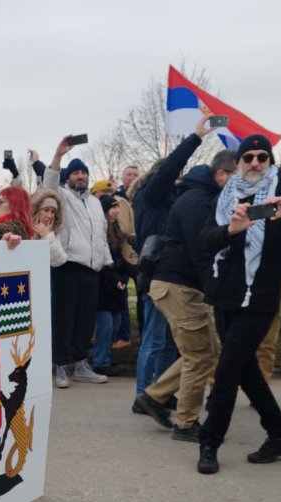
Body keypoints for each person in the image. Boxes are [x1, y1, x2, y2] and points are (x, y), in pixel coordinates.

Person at [196, 134, 281, 474]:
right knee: (246, 371)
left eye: (261, 157)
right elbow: (206, 241)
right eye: (248, 157)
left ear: (270, 161)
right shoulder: (225, 196)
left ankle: (209, 442)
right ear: (238, 162)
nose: (254, 163)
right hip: (224, 295)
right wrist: (231, 231)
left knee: (226, 372)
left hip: (260, 299)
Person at [133, 149, 237, 442]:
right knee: (199, 355)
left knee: (205, 351)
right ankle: (185, 422)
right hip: (178, 286)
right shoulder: (197, 201)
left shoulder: (202, 197)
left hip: (179, 286)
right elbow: (201, 251)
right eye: (236, 177)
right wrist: (215, 291)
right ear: (221, 175)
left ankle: (154, 396)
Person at [133, 116, 216, 395]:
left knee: (171, 341)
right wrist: (195, 138)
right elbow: (170, 168)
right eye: (175, 175)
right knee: (155, 339)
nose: (180, 179)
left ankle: (161, 393)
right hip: (156, 272)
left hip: (170, 274)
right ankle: (145, 392)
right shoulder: (153, 195)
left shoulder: (172, 199)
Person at [44, 136, 112, 386]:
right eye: (76, 173)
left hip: (91, 269)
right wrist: (59, 155)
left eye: (84, 172)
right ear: (69, 177)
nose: (80, 176)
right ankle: (60, 365)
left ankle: (82, 364)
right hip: (67, 266)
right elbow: (49, 183)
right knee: (64, 318)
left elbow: (101, 235)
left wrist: (107, 264)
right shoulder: (62, 196)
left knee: (85, 320)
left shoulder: (95, 203)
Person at [90, 195, 137, 374]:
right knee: (106, 324)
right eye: (113, 207)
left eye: (117, 207)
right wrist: (115, 277)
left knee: (115, 323)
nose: (117, 210)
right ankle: (100, 362)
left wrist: (133, 271)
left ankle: (104, 357)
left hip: (116, 283)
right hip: (104, 284)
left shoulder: (116, 230)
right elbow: (103, 260)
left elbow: (118, 258)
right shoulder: (99, 231)